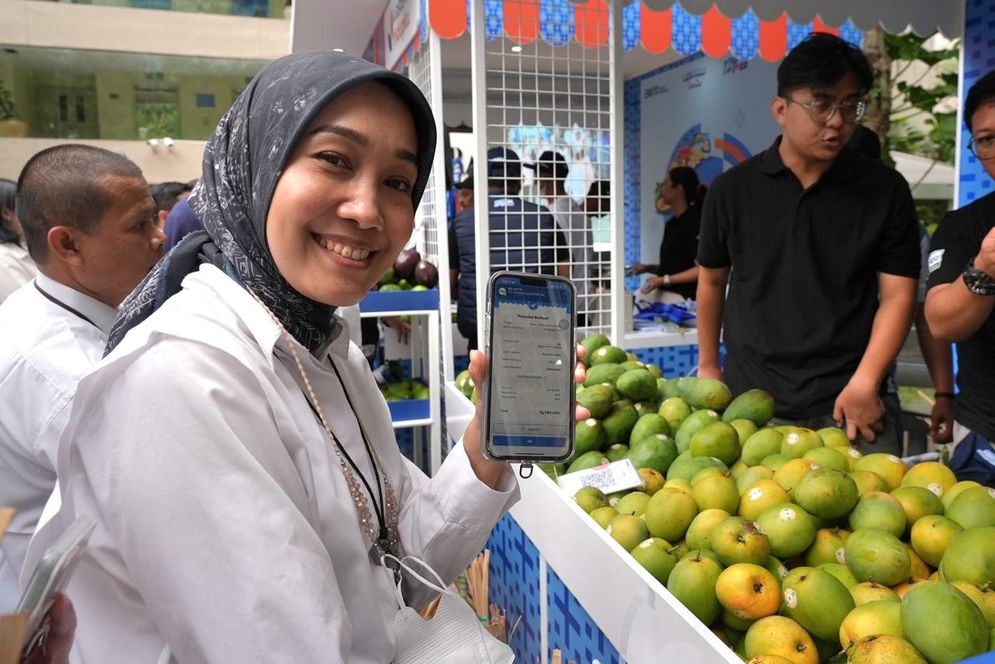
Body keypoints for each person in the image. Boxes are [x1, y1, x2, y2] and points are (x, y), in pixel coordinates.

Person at [30, 52, 584, 662]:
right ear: (258, 164)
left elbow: (400, 560)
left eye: (397, 182)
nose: (368, 210)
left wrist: (486, 438)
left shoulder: (323, 346)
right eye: (334, 160)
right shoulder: (181, 381)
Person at [696, 33, 920, 453]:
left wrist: (866, 382)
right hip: (753, 403)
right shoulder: (731, 190)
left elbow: (898, 296)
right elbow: (711, 283)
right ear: (780, 109)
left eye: (850, 105)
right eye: (821, 104)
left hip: (850, 402)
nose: (837, 120)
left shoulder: (885, 190)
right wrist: (708, 367)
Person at [0, 145, 165, 608]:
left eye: (154, 218)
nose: (160, 238)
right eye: (139, 225)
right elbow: (166, 515)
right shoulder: (67, 374)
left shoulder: (53, 313)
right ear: (68, 245)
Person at [925, 70, 995, 485]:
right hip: (987, 432)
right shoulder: (964, 227)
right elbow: (941, 321)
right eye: (986, 140)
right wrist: (985, 268)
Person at [452, 146, 567, 349]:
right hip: (535, 324)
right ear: (520, 180)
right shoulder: (543, 216)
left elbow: (451, 278)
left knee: (480, 380)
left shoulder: (463, 221)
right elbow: (564, 272)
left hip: (480, 327)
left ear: (481, 179)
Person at [528, 150, 596, 325]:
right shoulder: (578, 211)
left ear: (545, 177)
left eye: (537, 176)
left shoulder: (552, 215)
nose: (535, 182)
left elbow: (561, 263)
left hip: (563, 303)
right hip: (585, 300)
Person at [632, 166, 705, 302]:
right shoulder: (672, 224)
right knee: (633, 300)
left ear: (679, 189)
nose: (662, 188)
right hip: (665, 291)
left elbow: (701, 269)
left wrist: (664, 280)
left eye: (666, 183)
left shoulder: (695, 223)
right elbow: (676, 266)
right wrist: (648, 268)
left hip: (683, 297)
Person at [0, 178, 36, 302]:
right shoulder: (2, 260)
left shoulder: (22, 244)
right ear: (6, 213)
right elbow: (27, 304)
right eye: (25, 207)